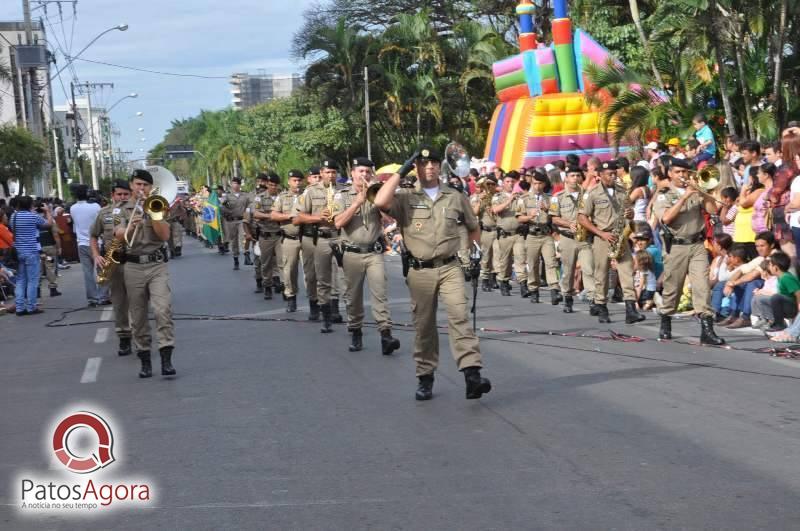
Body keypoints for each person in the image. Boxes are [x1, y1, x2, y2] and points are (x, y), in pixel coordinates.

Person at [373, 146, 491, 401]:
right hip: (420, 271)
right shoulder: (405, 197)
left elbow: (473, 226)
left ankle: (472, 375)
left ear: (440, 167)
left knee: (460, 317)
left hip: (450, 267)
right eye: (424, 164)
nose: (430, 167)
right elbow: (380, 201)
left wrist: (472, 252)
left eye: (434, 163)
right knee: (424, 325)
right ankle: (425, 377)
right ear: (416, 167)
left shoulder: (454, 196)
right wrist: (401, 169)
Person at [332, 157, 400, 355]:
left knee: (380, 293)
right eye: (360, 171)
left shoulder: (376, 193)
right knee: (353, 296)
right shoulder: (341, 195)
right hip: (352, 252)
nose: (364, 175)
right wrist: (356, 203)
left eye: (367, 172)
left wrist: (378, 200)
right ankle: (356, 331)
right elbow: (337, 223)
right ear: (352, 173)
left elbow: (390, 218)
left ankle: (385, 335)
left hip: (373, 252)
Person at [652, 157, 724, 344]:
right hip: (675, 246)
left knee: (702, 285)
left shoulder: (696, 190)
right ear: (670, 173)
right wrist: (684, 196)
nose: (683, 176)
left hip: (697, 245)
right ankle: (666, 320)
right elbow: (666, 218)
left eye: (685, 172)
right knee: (673, 287)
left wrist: (704, 192)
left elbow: (713, 209)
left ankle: (707, 330)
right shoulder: (664, 194)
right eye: (678, 172)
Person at [114, 169, 176, 379]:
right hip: (132, 266)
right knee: (138, 315)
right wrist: (131, 226)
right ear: (131, 185)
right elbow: (119, 236)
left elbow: (165, 235)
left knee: (162, 309)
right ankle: (145, 359)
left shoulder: (157, 205)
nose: (142, 189)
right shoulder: (120, 210)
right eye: (138, 184)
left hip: (156, 264)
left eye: (146, 185)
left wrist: (153, 214)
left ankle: (166, 357)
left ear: (151, 188)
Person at [578, 160, 644, 324]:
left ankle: (631, 310)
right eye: (609, 174)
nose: (613, 176)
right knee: (601, 274)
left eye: (614, 173)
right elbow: (581, 217)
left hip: (620, 235)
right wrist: (600, 233)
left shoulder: (622, 191)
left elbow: (630, 212)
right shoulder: (592, 193)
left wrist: (631, 213)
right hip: (603, 237)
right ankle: (601, 307)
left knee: (627, 272)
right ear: (600, 175)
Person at [294, 159, 342, 332]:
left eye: (334, 172)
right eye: (327, 172)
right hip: (318, 237)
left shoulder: (343, 190)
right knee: (320, 276)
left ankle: (335, 309)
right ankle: (323, 311)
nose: (331, 175)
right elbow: (298, 218)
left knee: (339, 275)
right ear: (321, 173)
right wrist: (318, 218)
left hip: (339, 236)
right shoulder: (310, 192)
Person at [90, 179, 133, 356]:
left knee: (138, 301)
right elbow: (93, 236)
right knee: (119, 302)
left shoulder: (138, 209)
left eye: (126, 194)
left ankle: (139, 335)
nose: (122, 197)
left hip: (134, 261)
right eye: (119, 194)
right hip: (114, 263)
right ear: (112, 195)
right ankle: (124, 336)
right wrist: (96, 255)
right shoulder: (103, 213)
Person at [551, 165, 595, 312]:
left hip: (584, 238)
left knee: (588, 268)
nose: (575, 178)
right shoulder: (557, 197)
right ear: (566, 178)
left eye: (578, 175)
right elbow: (554, 219)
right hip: (567, 238)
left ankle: (592, 300)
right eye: (572, 176)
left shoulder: (588, 194)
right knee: (568, 271)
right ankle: (567, 298)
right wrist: (569, 223)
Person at [517, 171, 560, 304]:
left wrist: (547, 209)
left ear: (544, 184)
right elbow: (519, 218)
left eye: (540, 183)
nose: (537, 186)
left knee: (551, 262)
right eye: (535, 183)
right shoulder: (523, 198)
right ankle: (534, 289)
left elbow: (555, 216)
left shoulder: (550, 198)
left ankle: (554, 290)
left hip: (546, 234)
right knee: (533, 264)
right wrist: (529, 216)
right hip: (532, 234)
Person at [273, 170, 311, 313]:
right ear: (289, 181)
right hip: (290, 238)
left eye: (299, 180)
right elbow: (274, 215)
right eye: (294, 180)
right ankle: (291, 297)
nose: (297, 183)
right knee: (290, 270)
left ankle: (313, 299)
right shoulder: (282, 197)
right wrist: (290, 215)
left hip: (307, 237)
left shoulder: (308, 194)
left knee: (310, 270)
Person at [10, 196, 53, 315]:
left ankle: (19, 307)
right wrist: (47, 211)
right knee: (32, 280)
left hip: (18, 252)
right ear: (30, 205)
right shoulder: (33, 216)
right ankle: (31, 307)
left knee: (20, 280)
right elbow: (48, 224)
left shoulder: (14, 216)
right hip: (32, 252)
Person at [492, 171, 527, 297]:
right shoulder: (497, 197)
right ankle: (504, 282)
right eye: (507, 181)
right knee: (505, 262)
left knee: (520, 258)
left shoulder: (520, 197)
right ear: (503, 183)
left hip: (518, 234)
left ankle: (523, 284)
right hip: (504, 235)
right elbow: (495, 210)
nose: (510, 184)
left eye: (512, 181)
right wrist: (509, 200)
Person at [70, 184, 107, 306]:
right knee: (102, 270)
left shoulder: (73, 208)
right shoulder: (96, 206)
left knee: (87, 272)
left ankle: (92, 298)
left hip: (81, 243)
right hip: (96, 243)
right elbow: (101, 222)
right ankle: (103, 296)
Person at [251, 172, 284, 301]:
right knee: (266, 264)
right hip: (265, 235)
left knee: (282, 263)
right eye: (270, 185)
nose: (272, 187)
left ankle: (284, 287)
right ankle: (267, 287)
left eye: (274, 185)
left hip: (280, 235)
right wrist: (271, 216)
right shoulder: (260, 197)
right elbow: (256, 213)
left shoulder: (282, 197)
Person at [470, 175, 499, 292]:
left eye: (492, 184)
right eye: (488, 184)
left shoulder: (497, 197)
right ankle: (485, 279)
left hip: (497, 230)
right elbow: (474, 213)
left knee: (497, 256)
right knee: (486, 257)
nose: (490, 186)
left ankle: (494, 278)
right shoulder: (477, 198)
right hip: (485, 230)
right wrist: (481, 201)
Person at [220, 177, 250, 270]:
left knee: (244, 236)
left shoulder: (245, 195)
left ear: (239, 185)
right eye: (233, 183)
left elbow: (248, 208)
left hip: (242, 220)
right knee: (234, 241)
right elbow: (222, 207)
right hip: (232, 221)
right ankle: (236, 259)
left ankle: (246, 254)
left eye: (236, 183)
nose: (235, 185)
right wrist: (226, 213)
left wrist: (247, 219)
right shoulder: (227, 196)